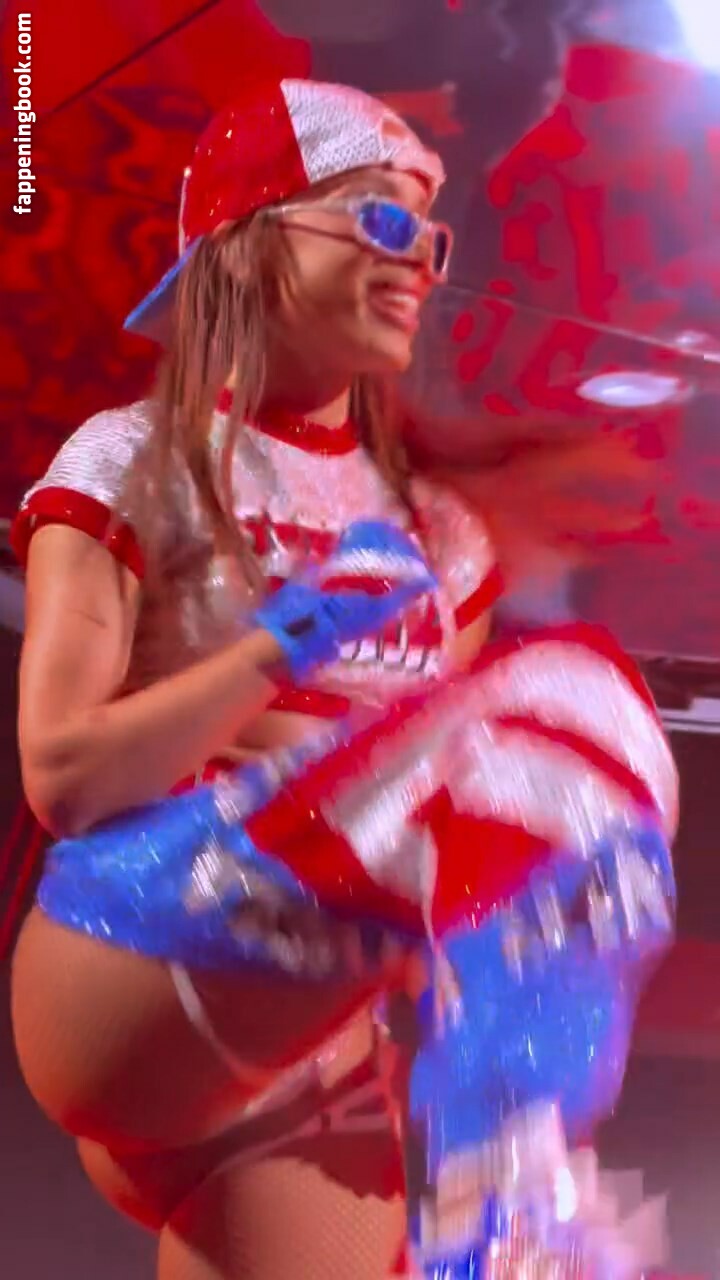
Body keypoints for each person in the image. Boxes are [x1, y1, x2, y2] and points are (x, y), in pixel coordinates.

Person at [9, 77, 675, 1280]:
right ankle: (508, 1186)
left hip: (310, 1054)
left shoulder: (439, 534)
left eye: (432, 233)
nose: (420, 256)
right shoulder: (133, 457)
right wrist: (278, 649)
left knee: (568, 721)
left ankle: (503, 1172)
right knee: (562, 702)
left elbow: (445, 835)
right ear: (252, 239)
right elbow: (64, 775)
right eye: (379, 217)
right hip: (133, 954)